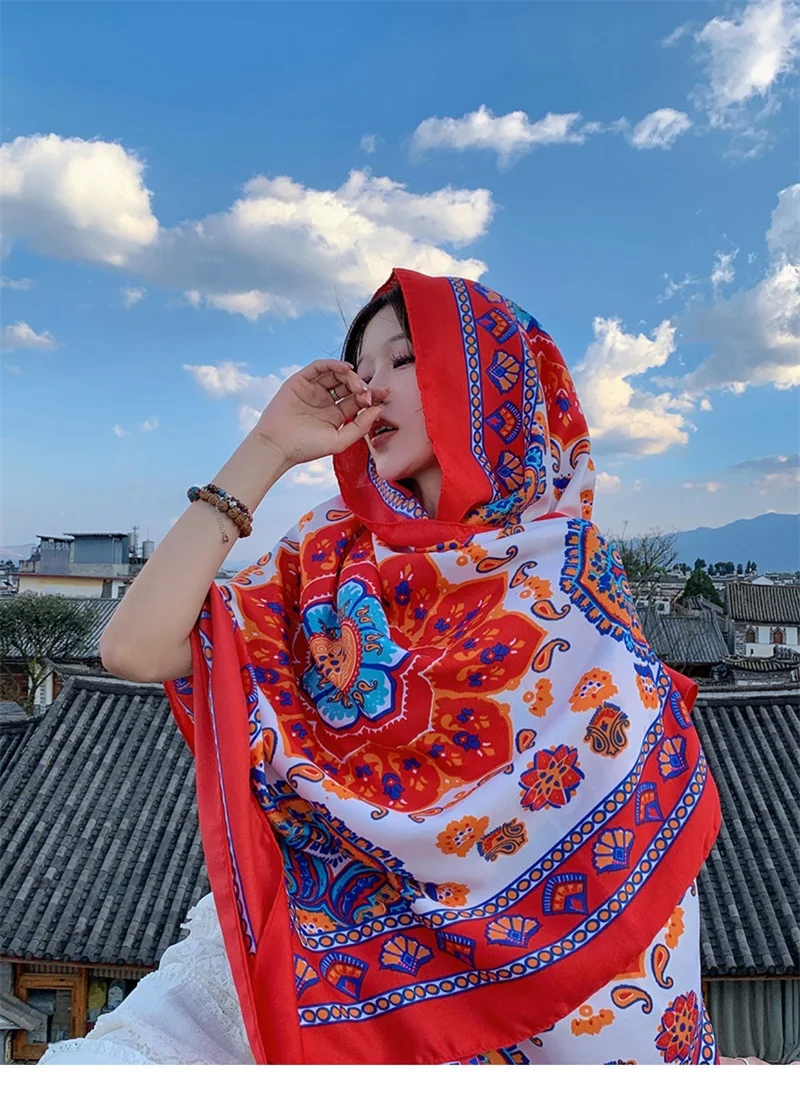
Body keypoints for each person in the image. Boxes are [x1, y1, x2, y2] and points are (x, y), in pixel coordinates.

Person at [41, 269, 722, 1065]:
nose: (371, 388)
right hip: (328, 967)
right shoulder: (327, 554)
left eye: (403, 358)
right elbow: (133, 646)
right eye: (361, 369)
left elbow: (626, 804)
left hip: (565, 997)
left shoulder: (566, 569)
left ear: (490, 379)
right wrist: (268, 447)